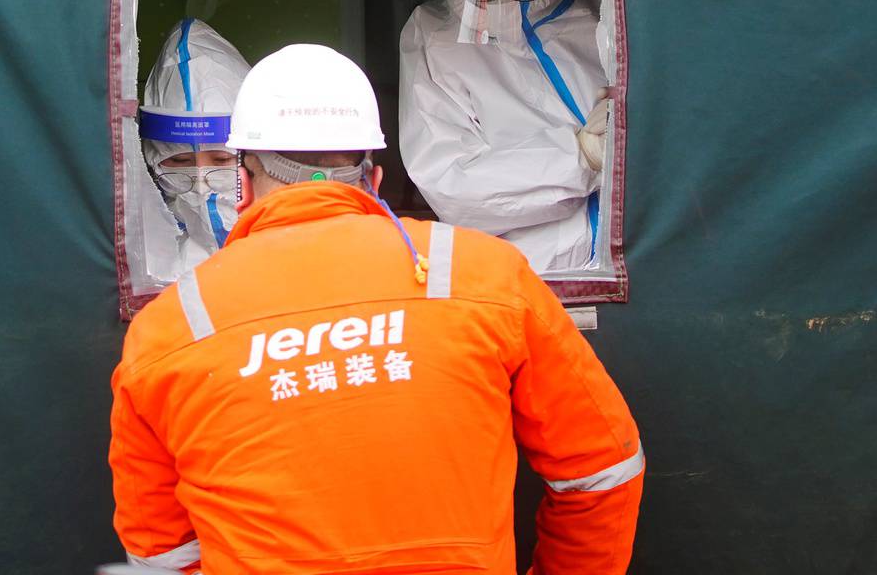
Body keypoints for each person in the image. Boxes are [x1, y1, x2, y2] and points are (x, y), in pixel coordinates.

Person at [109, 43, 642, 575]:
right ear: (376, 179)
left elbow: (160, 551)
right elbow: (603, 467)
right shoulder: (487, 275)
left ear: (242, 183)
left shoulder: (169, 327)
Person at [398, 0, 608, 272]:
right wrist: (579, 157)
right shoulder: (435, 37)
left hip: (644, 260)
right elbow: (453, 186)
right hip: (532, 275)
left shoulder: (612, 7)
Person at [138, 19, 249, 275]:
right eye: (180, 162)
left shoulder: (296, 235)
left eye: (221, 160)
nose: (201, 183)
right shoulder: (137, 250)